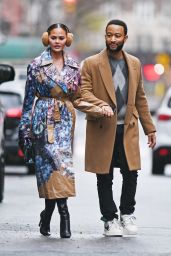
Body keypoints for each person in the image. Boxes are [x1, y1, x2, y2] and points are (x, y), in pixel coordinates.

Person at [18, 23, 103, 238]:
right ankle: (64, 214)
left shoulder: (74, 66)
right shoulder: (36, 65)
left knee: (60, 166)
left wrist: (98, 108)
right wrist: (24, 129)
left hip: (65, 120)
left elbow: (79, 98)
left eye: (61, 38)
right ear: (47, 38)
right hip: (42, 122)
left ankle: (47, 214)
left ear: (68, 39)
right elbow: (28, 102)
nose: (57, 41)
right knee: (53, 165)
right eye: (54, 37)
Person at [80, 19, 156, 237]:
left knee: (131, 172)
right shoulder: (92, 63)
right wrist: (100, 105)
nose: (112, 39)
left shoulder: (134, 63)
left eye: (117, 35)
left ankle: (127, 213)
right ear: (105, 36)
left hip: (128, 128)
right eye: (109, 35)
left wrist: (149, 128)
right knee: (104, 176)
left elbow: (140, 96)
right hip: (102, 128)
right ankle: (110, 219)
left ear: (125, 38)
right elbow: (83, 92)